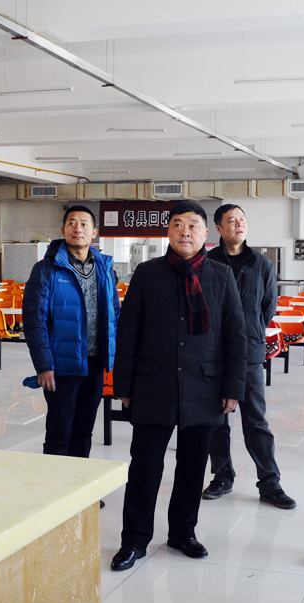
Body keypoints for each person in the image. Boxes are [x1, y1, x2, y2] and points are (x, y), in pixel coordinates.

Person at [110, 201, 247, 571]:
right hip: (152, 384)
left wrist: (233, 388)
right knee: (145, 468)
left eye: (193, 225)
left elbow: (236, 335)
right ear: (168, 231)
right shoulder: (147, 273)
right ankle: (134, 539)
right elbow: (128, 331)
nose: (185, 231)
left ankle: (183, 533)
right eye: (178, 224)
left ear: (206, 233)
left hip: (204, 386)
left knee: (192, 467)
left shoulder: (220, 275)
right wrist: (123, 385)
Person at [201, 204, 295, 509]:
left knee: (256, 422)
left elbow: (268, 306)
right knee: (217, 421)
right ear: (219, 229)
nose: (238, 224)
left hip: (249, 354)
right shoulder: (206, 262)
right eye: (231, 220)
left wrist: (249, 331)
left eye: (242, 219)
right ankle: (222, 477)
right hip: (214, 354)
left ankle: (270, 483)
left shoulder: (261, 264)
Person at [23, 205, 120, 459]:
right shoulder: (46, 269)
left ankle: (81, 484)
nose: (78, 228)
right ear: (63, 230)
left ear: (94, 232)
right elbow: (34, 320)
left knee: (84, 432)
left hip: (95, 364)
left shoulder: (105, 269)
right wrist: (44, 365)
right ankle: (55, 483)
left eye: (84, 224)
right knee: (59, 433)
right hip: (61, 366)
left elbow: (115, 315)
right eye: (72, 223)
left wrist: (115, 360)